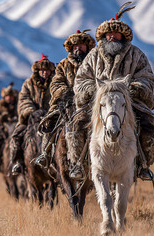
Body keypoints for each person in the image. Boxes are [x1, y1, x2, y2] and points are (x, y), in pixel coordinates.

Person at [71, 2, 154, 180]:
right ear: (104, 36)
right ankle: (78, 165)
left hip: (128, 103)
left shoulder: (136, 55)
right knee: (75, 126)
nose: (112, 36)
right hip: (98, 104)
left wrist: (134, 89)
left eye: (115, 33)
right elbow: (81, 80)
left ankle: (143, 165)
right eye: (109, 34)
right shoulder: (93, 56)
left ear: (123, 36)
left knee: (153, 125)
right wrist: (94, 91)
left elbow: (148, 78)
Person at [34, 29, 96, 169]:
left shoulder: (96, 62)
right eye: (75, 46)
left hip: (93, 103)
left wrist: (91, 93)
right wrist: (67, 94)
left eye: (81, 45)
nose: (78, 48)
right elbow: (56, 83)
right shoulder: (63, 65)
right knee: (49, 124)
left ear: (87, 47)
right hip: (67, 104)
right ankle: (46, 154)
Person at [9, 54, 56, 175]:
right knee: (16, 136)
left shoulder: (56, 83)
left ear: (51, 71)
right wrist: (33, 112)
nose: (45, 73)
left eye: (47, 70)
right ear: (38, 71)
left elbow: (59, 98)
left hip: (51, 119)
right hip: (31, 119)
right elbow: (23, 99)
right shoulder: (28, 84)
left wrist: (51, 112)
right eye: (42, 70)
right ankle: (18, 162)